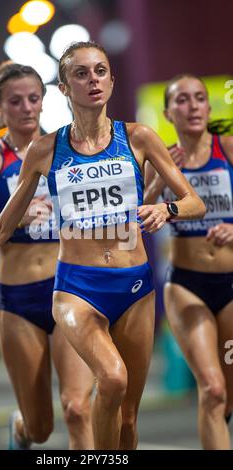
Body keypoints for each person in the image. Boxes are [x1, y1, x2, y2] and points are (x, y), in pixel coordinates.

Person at [0, 43, 205, 450]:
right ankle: (37, 435)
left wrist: (165, 208)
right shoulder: (45, 151)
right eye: (81, 73)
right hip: (74, 287)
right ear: (64, 87)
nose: (93, 80)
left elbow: (192, 203)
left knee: (126, 418)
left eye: (100, 71)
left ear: (112, 80)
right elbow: (3, 225)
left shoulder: (139, 136)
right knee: (109, 379)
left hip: (134, 285)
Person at [0, 61, 94, 450]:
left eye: (33, 99)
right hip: (18, 300)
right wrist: (10, 218)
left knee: (78, 408)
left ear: (44, 102)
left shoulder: (67, 150)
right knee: (40, 427)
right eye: (16, 101)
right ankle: (21, 430)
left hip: (70, 291)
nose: (27, 108)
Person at [144, 74, 233, 450]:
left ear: (208, 108)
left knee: (227, 392)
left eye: (199, 98)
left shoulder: (227, 148)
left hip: (230, 285)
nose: (193, 105)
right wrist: (158, 186)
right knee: (211, 389)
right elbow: (136, 225)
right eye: (182, 100)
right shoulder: (161, 159)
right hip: (185, 285)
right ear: (168, 112)